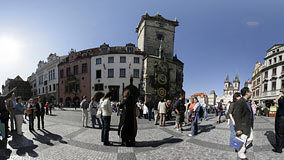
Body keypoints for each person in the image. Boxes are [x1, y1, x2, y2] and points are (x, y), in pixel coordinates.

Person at [234, 87, 254, 160]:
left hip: (249, 124)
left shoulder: (247, 102)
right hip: (243, 125)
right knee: (243, 139)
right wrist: (238, 128)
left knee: (250, 139)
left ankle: (238, 147)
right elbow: (237, 116)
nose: (251, 93)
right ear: (247, 93)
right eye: (250, 92)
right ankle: (241, 154)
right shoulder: (240, 102)